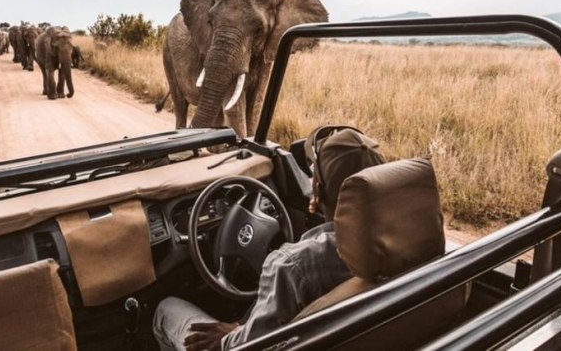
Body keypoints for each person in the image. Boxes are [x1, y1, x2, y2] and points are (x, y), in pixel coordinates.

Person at [153, 127, 387, 351]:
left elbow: (248, 346)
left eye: (313, 173)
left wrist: (228, 338)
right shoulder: (407, 241)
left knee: (165, 310)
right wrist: (240, 326)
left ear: (317, 192)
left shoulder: (293, 265)